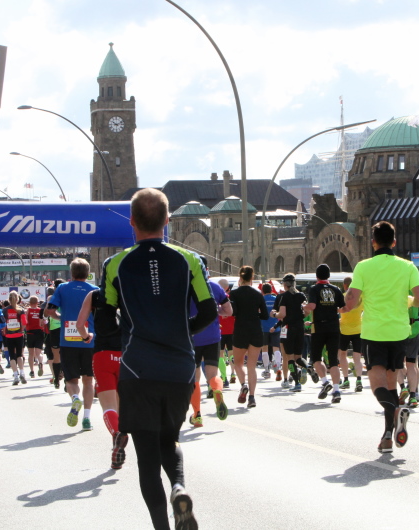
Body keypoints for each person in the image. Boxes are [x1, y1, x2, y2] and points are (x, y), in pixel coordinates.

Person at [102, 188, 216, 530]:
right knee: (170, 439)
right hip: (180, 367)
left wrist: (130, 332)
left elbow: (105, 323)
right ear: (167, 221)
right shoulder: (190, 260)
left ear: (132, 222)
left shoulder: (114, 265)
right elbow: (209, 311)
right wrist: (181, 332)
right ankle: (179, 487)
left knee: (147, 460)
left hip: (137, 368)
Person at [344, 221, 419, 453]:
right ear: (394, 242)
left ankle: (396, 411)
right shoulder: (408, 266)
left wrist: (346, 307)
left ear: (373, 243)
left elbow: (351, 300)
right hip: (399, 333)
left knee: (377, 386)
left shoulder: (363, 266)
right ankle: (388, 438)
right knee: (391, 385)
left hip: (374, 332)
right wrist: (408, 301)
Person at [76, 287, 127, 469]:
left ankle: (117, 435)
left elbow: (79, 324)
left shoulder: (95, 295)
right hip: (127, 355)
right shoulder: (130, 289)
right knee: (121, 406)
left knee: (108, 406)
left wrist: (86, 337)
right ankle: (117, 447)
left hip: (102, 355)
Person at [46, 258, 99, 430]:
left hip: (67, 341)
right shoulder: (95, 290)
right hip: (89, 340)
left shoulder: (62, 288)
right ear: (88, 273)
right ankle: (87, 419)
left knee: (71, 379)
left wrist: (62, 318)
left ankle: (75, 398)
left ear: (71, 272)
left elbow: (49, 310)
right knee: (88, 381)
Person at [187, 259, 232, 427]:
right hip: (213, 336)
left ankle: (197, 415)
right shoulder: (215, 287)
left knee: (194, 378)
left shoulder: (186, 287)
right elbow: (229, 311)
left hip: (192, 336)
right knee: (213, 374)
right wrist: (214, 311)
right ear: (207, 269)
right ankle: (217, 390)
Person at [304, 264, 346, 403]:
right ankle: (336, 390)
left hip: (319, 327)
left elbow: (312, 306)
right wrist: (333, 311)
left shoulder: (314, 289)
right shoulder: (336, 289)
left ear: (317, 276)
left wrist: (303, 307)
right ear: (329, 275)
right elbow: (343, 308)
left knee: (316, 358)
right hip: (334, 327)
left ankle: (325, 382)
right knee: (333, 361)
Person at [229, 266, 268, 409]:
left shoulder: (234, 293)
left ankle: (243, 385)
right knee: (252, 366)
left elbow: (234, 312)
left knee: (237, 362)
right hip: (256, 330)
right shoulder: (258, 293)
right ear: (252, 277)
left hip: (241, 329)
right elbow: (265, 315)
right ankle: (252, 397)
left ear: (240, 277)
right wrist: (254, 314)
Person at [271, 273, 308, 393]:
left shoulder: (283, 296)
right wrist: (300, 316)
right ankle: (308, 367)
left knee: (288, 357)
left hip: (287, 328)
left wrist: (274, 314)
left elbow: (282, 314)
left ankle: (294, 382)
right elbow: (307, 310)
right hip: (300, 327)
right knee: (298, 356)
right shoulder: (301, 295)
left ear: (285, 284)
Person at [337, 276, 364, 392]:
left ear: (345, 285)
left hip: (344, 330)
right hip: (358, 329)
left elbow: (338, 310)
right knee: (357, 357)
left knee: (342, 355)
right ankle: (359, 380)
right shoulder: (360, 298)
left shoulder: (342, 297)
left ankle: (346, 380)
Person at [25, 295, 46, 379]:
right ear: (37, 303)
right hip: (39, 332)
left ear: (29, 302)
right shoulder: (41, 310)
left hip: (30, 333)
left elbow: (25, 321)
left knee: (31, 354)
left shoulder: (27, 310)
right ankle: (40, 362)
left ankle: (32, 371)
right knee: (38, 352)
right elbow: (43, 322)